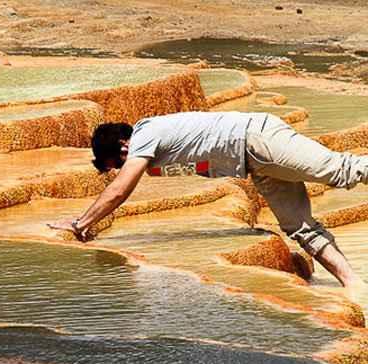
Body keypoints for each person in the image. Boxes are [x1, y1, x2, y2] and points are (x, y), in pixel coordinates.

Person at [48, 111, 367, 290]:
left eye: (116, 164)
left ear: (122, 147)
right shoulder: (155, 147)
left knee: (340, 170)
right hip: (253, 162)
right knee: (301, 230)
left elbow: (120, 190)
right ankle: (355, 287)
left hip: (258, 139)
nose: (120, 170)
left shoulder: (145, 134)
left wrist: (79, 224)